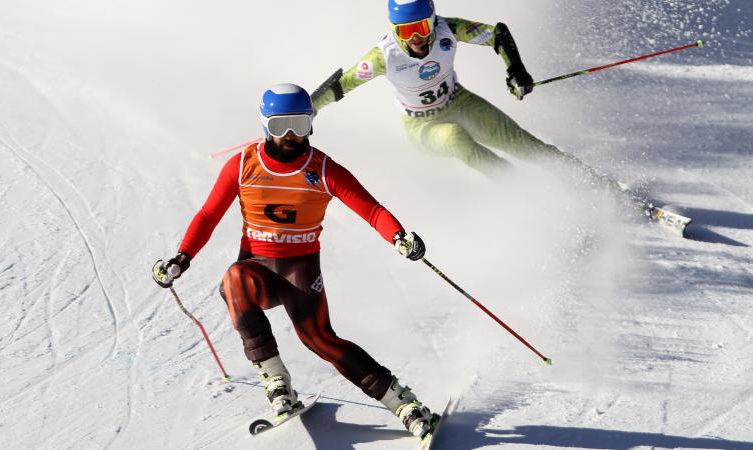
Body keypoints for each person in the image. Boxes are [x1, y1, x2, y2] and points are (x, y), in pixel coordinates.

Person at [153, 83, 439, 440]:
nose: (290, 135)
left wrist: (398, 236)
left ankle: (404, 404)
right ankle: (277, 381)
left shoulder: (322, 168)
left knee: (318, 338)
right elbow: (209, 215)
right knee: (234, 282)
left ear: (311, 124)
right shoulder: (242, 165)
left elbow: (371, 209)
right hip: (256, 268)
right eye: (280, 126)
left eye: (300, 125)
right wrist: (182, 258)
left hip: (299, 269)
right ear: (265, 126)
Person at [312, 0, 611, 185]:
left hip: (459, 102)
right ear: (394, 31)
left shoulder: (447, 29)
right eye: (405, 31)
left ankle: (595, 185)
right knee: (457, 138)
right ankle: (529, 195)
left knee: (523, 143)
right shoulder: (383, 56)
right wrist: (308, 109)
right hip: (423, 126)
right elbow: (342, 85)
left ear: (432, 21)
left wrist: (516, 70)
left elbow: (497, 35)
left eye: (421, 27)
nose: (416, 38)